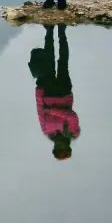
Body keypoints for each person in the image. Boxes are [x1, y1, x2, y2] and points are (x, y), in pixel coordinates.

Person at [28, 24, 80, 160]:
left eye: (57, 148)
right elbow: (71, 116)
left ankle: (49, 30)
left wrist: (38, 91)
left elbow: (39, 110)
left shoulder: (47, 131)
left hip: (47, 90)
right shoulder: (73, 132)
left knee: (49, 58)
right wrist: (52, 111)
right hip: (64, 91)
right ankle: (62, 31)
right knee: (63, 62)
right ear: (67, 146)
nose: (58, 146)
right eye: (62, 148)